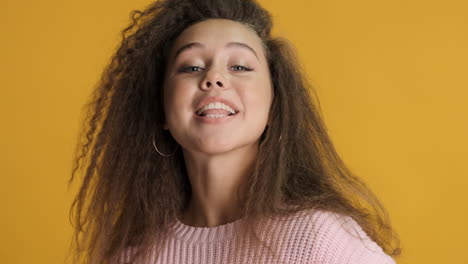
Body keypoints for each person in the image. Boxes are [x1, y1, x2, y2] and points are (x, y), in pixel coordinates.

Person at [68, 0, 402, 263]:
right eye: (192, 66)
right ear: (162, 111)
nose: (213, 78)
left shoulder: (317, 238)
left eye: (240, 66)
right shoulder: (130, 258)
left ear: (274, 106)